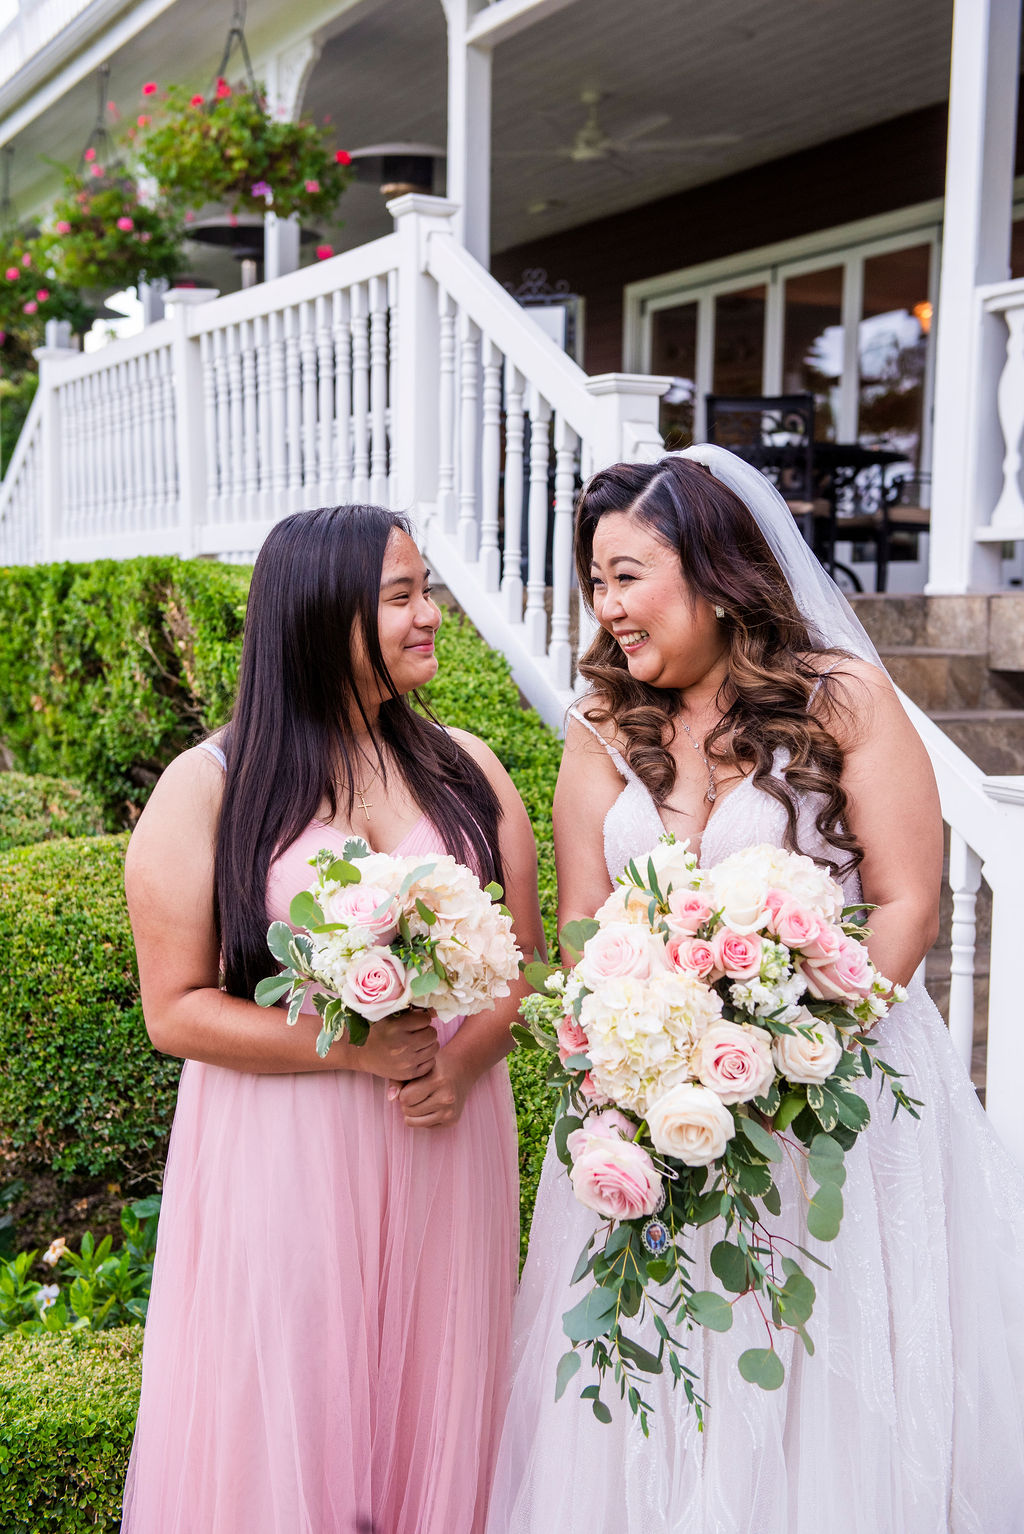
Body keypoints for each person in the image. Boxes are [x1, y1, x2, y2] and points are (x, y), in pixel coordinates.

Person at [487, 448, 1024, 1534]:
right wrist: (634, 1061)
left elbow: (907, 902)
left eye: (627, 575)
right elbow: (586, 929)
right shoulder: (599, 726)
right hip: (652, 1114)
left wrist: (791, 1053)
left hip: (834, 1097)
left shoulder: (842, 697)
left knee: (825, 1360)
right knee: (665, 1365)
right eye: (595, 581)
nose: (606, 606)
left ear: (716, 575)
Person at [121, 504, 545, 1534]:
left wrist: (457, 1066)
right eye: (400, 595)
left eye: (426, 589)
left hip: (443, 1136)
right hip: (284, 1146)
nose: (430, 613)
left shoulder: (469, 767)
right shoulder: (210, 788)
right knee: (294, 1418)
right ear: (319, 613)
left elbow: (526, 964)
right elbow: (174, 1010)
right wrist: (354, 1051)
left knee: (439, 1399)